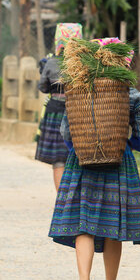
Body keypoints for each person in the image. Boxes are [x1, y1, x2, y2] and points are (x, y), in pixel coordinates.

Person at [49, 84, 140, 280]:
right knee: (112, 223)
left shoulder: (77, 90)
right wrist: (126, 144)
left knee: (83, 224)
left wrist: (80, 146)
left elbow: (66, 131)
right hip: (118, 160)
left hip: (82, 160)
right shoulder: (131, 93)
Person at [35, 23, 83, 191]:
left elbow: (42, 88)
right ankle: (76, 198)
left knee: (58, 160)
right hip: (78, 110)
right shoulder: (84, 63)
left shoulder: (51, 62)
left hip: (55, 110)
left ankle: (62, 200)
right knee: (78, 156)